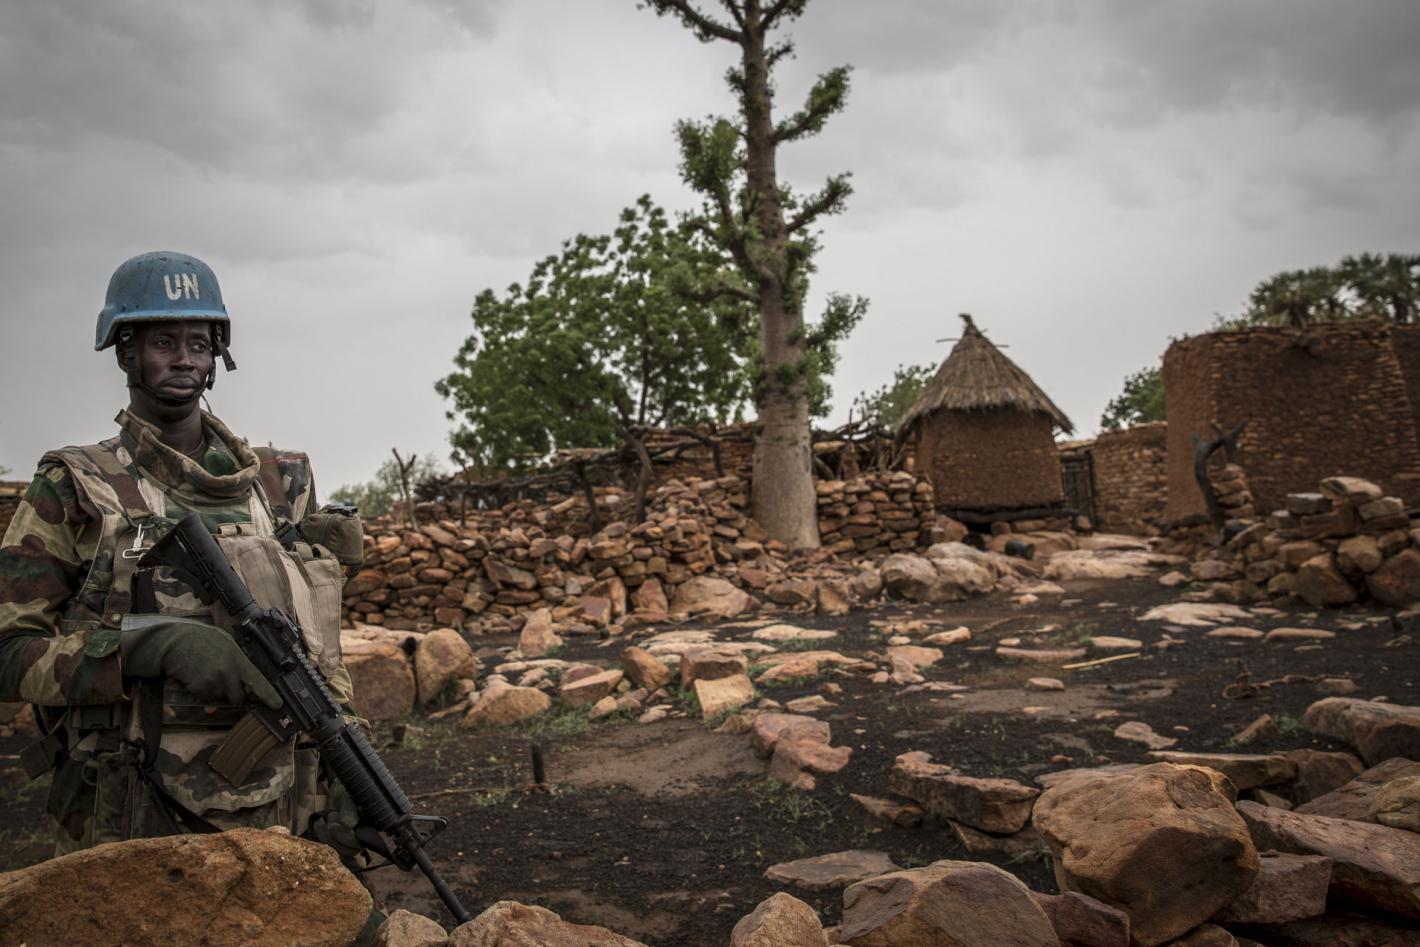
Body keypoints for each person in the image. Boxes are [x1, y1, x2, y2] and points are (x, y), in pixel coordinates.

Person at [0, 250, 365, 856]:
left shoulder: (279, 484)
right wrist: (151, 647)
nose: (184, 359)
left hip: (283, 807)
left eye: (199, 343)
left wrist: (348, 766)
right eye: (163, 342)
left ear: (217, 354)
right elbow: (9, 654)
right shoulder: (75, 486)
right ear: (125, 353)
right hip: (124, 810)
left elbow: (318, 656)